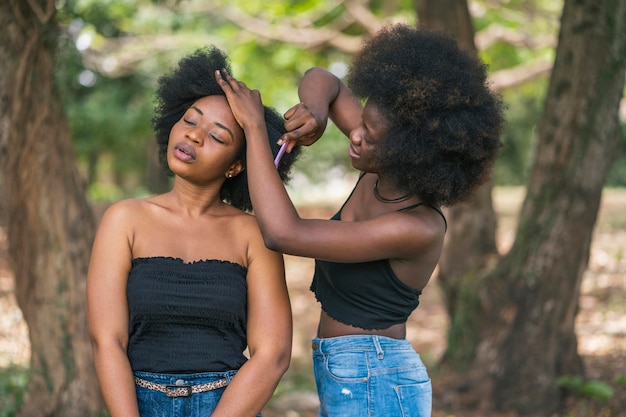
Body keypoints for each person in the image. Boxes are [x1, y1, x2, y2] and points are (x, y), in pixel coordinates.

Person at [217, 23, 505, 417]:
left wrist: (253, 128)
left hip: (375, 376)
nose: (355, 136)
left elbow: (283, 232)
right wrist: (316, 112)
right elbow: (325, 81)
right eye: (361, 124)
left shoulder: (415, 227)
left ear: (409, 152)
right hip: (354, 374)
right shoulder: (378, 169)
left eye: (369, 135)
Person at [87, 46, 299, 417]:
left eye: (218, 137)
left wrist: (254, 124)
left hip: (228, 406)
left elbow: (272, 354)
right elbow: (107, 341)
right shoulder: (124, 219)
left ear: (236, 165)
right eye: (189, 120)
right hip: (137, 405)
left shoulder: (253, 234)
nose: (195, 137)